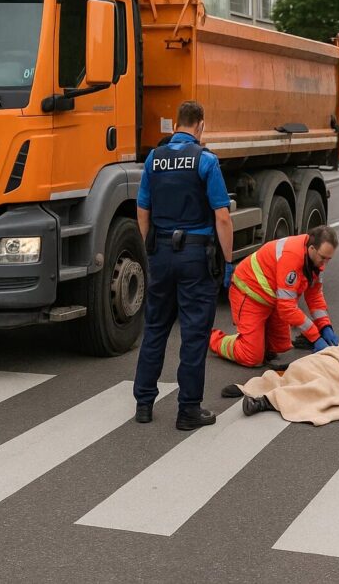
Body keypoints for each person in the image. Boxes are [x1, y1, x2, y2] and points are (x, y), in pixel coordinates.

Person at [133, 101, 234, 431]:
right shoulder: (205, 160)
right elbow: (222, 216)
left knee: (155, 328)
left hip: (161, 252)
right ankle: (188, 411)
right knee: (193, 334)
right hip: (195, 255)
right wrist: (228, 261)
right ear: (200, 125)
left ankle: (144, 403)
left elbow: (143, 209)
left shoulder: (153, 159)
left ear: (176, 124)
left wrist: (150, 249)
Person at [210, 226, 339, 367]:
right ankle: (213, 339)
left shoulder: (316, 261)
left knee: (281, 346)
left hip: (273, 300)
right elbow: (287, 308)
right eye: (323, 258)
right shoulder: (293, 257)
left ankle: (255, 337)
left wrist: (325, 326)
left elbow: (314, 297)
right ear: (312, 249)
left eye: (329, 259)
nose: (325, 264)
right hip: (250, 294)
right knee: (252, 357)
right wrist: (315, 337)